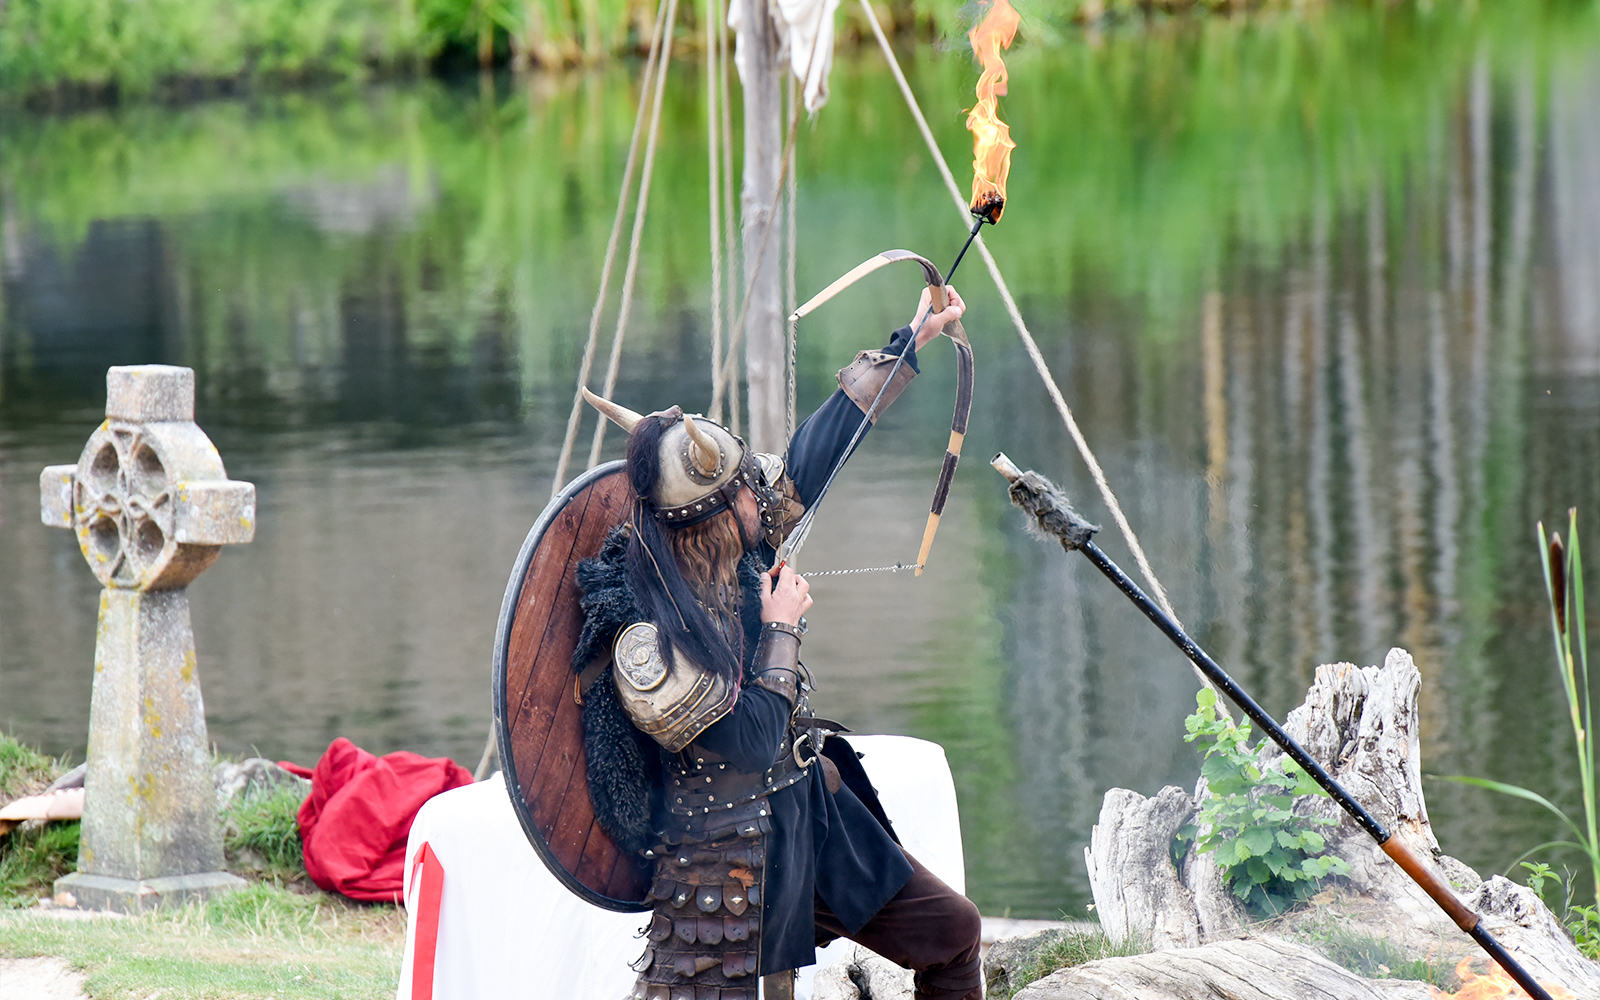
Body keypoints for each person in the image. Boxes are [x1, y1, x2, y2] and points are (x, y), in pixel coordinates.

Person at [572, 286, 982, 1000]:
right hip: (720, 857)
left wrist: (910, 339)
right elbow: (752, 740)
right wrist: (784, 626)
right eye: (739, 494)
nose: (758, 500)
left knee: (953, 934)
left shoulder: (731, 542)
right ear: (701, 519)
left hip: (809, 814)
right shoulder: (641, 642)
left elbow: (806, 466)